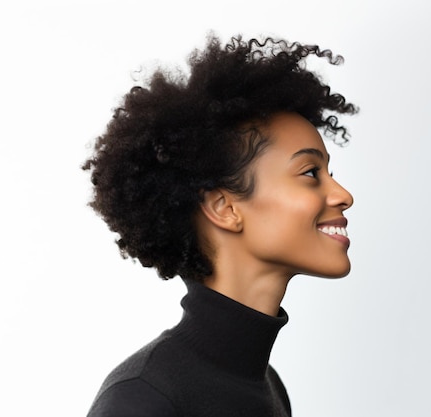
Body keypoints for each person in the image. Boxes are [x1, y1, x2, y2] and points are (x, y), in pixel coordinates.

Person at [83, 35, 357, 417]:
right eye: (311, 172)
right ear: (224, 207)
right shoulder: (143, 398)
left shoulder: (269, 385)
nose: (343, 195)